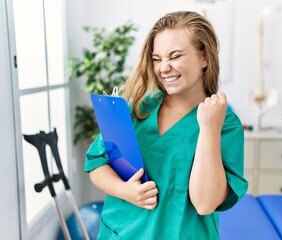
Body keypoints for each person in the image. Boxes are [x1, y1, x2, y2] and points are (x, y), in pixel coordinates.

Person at [84, 11, 248, 240]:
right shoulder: (138, 108)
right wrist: (126, 191)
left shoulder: (225, 125)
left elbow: (205, 203)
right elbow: (96, 163)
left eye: (175, 56)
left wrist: (209, 128)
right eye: (157, 59)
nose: (164, 68)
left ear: (205, 58)